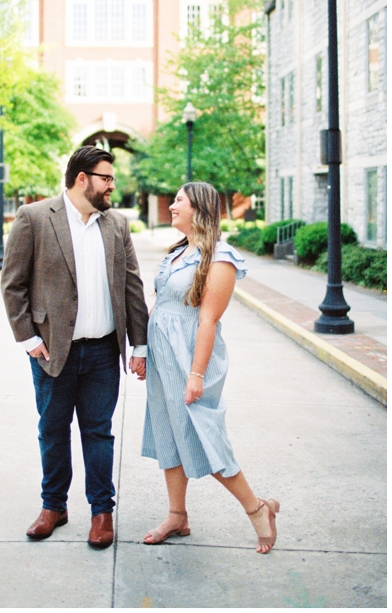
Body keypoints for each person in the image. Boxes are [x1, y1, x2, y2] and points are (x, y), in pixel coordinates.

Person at [1, 145, 149, 549]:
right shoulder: (34, 218)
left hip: (103, 351)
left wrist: (141, 344)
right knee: (52, 430)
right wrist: (28, 339)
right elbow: (13, 284)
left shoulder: (116, 224)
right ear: (82, 179)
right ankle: (54, 506)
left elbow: (131, 286)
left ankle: (102, 512)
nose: (112, 186)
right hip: (52, 352)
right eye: (106, 177)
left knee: (99, 433)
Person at [140, 182, 279, 553]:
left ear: (198, 209)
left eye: (178, 202)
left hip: (191, 357)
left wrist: (196, 374)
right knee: (168, 432)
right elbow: (162, 305)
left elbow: (207, 320)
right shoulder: (177, 253)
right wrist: (143, 351)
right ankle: (176, 515)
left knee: (203, 434)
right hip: (163, 356)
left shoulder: (220, 257)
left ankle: (257, 509)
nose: (171, 207)